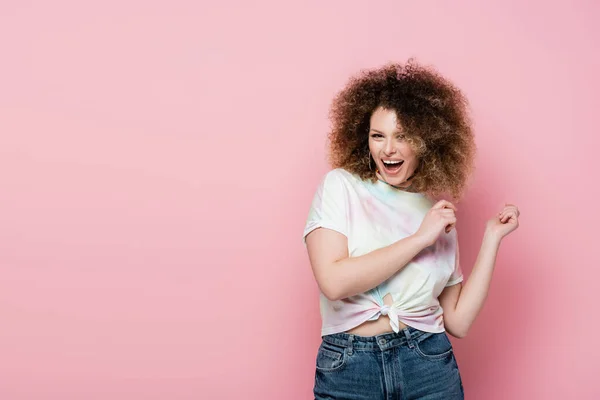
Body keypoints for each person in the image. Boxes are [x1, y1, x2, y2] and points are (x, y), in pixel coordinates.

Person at [302, 60, 520, 400]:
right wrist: (419, 239)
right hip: (350, 367)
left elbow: (458, 322)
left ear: (427, 141)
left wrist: (492, 238)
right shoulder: (341, 187)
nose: (388, 149)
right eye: (378, 136)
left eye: (402, 136)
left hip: (428, 363)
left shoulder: (436, 216)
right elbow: (334, 282)